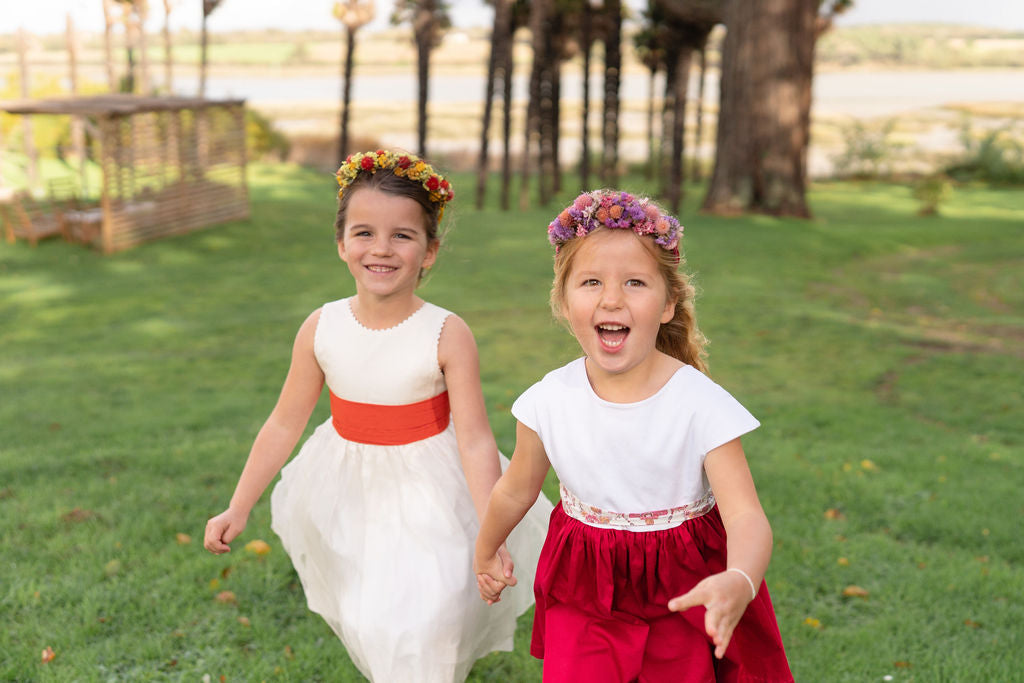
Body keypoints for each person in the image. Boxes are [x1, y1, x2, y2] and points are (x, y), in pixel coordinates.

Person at [203, 150, 551, 682]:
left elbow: (477, 441)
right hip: (347, 491)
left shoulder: (446, 333)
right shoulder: (321, 327)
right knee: (378, 624)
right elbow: (283, 423)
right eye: (364, 233)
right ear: (341, 243)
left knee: (428, 620)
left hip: (432, 493)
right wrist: (238, 505)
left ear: (429, 250)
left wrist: (492, 531)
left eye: (403, 236)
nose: (381, 249)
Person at [473, 190, 793, 682]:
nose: (612, 298)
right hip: (585, 585)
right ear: (563, 301)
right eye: (591, 281)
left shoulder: (699, 404)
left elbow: (746, 515)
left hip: (683, 584)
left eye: (636, 282)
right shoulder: (549, 400)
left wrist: (740, 578)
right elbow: (517, 487)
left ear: (667, 305)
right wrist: (487, 547)